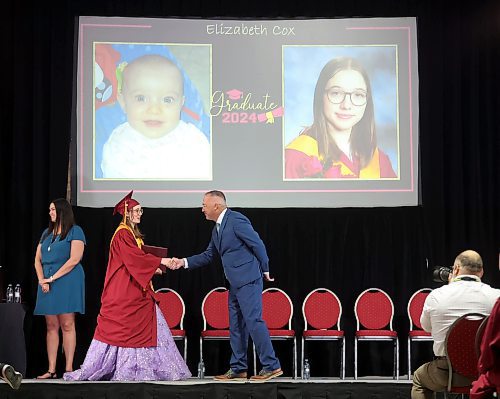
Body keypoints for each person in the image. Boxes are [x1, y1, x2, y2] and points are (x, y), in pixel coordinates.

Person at [64, 191, 191, 381]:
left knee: (146, 319)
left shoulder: (131, 234)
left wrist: (153, 268)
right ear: (127, 212)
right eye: (136, 210)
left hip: (134, 287)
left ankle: (144, 367)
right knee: (125, 327)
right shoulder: (122, 233)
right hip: (123, 290)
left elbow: (134, 262)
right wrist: (162, 261)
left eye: (141, 210)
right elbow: (135, 258)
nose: (140, 213)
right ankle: (129, 368)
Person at [170, 190, 282, 382]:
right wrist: (183, 262)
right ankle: (238, 368)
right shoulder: (217, 229)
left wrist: (265, 269)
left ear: (217, 205)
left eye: (204, 204)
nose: (202, 208)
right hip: (234, 283)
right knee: (236, 326)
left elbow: (257, 244)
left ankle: (272, 366)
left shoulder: (236, 220)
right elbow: (208, 255)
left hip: (248, 280)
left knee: (254, 322)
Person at [101, 54, 210, 179]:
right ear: (123, 102)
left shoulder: (193, 141)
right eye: (141, 98)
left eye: (167, 100)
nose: (154, 110)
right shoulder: (118, 145)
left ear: (181, 104)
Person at [285, 57, 396, 179]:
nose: (346, 105)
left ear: (367, 101)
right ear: (320, 97)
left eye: (358, 95)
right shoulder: (295, 157)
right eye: (336, 93)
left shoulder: (380, 162)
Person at [411, 250, 500, 399]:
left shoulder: (437, 296)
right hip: (485, 373)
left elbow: (426, 327)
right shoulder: (496, 296)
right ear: (482, 272)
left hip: (447, 373)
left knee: (419, 379)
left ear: (456, 269)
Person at [34, 198, 86, 379]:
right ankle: (51, 369)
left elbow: (74, 259)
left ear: (63, 211)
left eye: (53, 210)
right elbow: (37, 260)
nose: (50, 213)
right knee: (51, 325)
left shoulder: (75, 231)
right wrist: (42, 280)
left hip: (67, 280)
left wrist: (52, 278)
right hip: (47, 281)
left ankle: (69, 368)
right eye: (50, 210)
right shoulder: (46, 233)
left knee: (67, 323)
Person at [470, 297, 500, 399]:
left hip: (449, 371)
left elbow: (489, 346)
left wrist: (483, 369)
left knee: (418, 379)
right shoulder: (493, 293)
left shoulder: (437, 296)